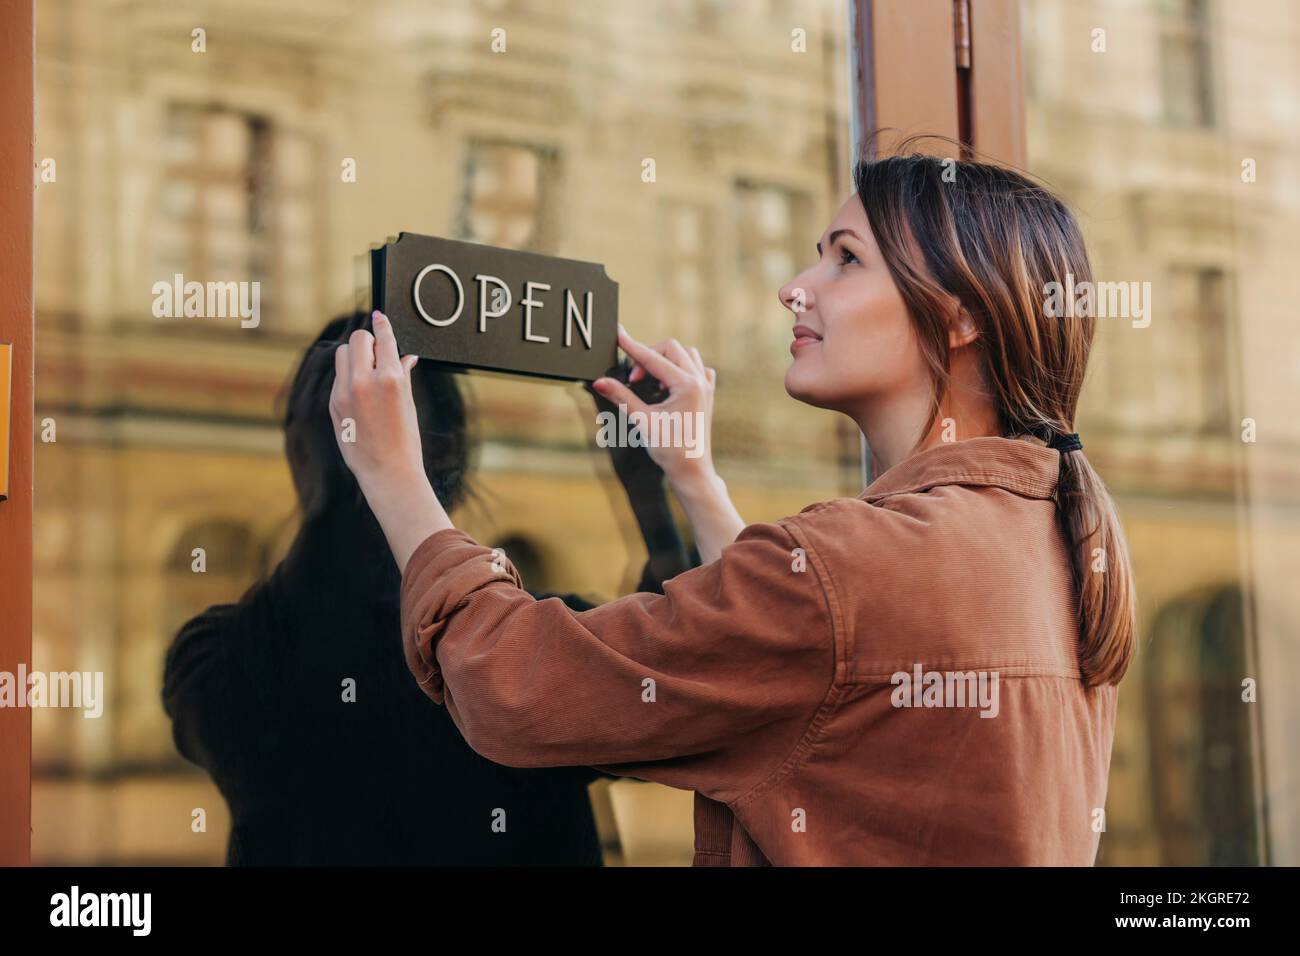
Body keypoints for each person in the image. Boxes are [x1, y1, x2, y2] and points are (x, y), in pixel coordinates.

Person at [328, 149, 1137, 866]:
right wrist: (694, 478)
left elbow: (512, 688)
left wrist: (396, 477)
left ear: (961, 313)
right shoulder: (1057, 532)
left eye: (847, 261)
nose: (795, 288)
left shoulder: (858, 567)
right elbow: (816, 671)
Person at [162, 312, 692, 865]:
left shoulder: (222, 656)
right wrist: (655, 490)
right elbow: (674, 677)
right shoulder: (531, 652)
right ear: (451, 453)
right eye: (336, 419)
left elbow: (672, 685)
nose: (343, 442)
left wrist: (372, 474)